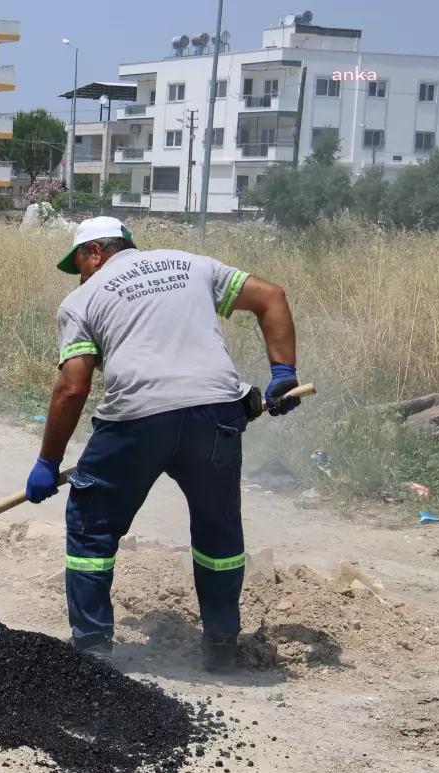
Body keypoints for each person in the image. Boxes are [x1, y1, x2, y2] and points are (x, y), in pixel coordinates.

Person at [25, 217, 299, 672]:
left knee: (93, 526)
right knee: (218, 531)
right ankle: (221, 646)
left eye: (79, 264)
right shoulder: (192, 264)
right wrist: (283, 373)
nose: (81, 275)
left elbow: (73, 389)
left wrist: (47, 462)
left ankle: (93, 652)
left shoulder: (81, 300)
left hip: (136, 420)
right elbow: (271, 296)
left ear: (94, 252)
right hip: (216, 413)